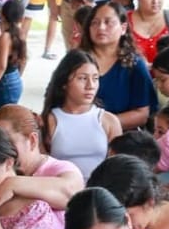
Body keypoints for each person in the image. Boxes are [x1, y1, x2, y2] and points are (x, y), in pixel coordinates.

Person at [42, 50, 119, 180]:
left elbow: (118, 168)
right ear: (64, 83)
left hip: (100, 192)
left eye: (95, 78)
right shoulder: (49, 120)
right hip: (61, 192)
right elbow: (41, 168)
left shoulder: (108, 121)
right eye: (82, 78)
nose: (90, 86)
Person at [82, 1, 157, 132]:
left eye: (108, 22)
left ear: (123, 28)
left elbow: (142, 114)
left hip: (120, 140)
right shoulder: (76, 61)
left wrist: (102, 124)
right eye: (95, 22)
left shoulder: (134, 64)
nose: (101, 27)